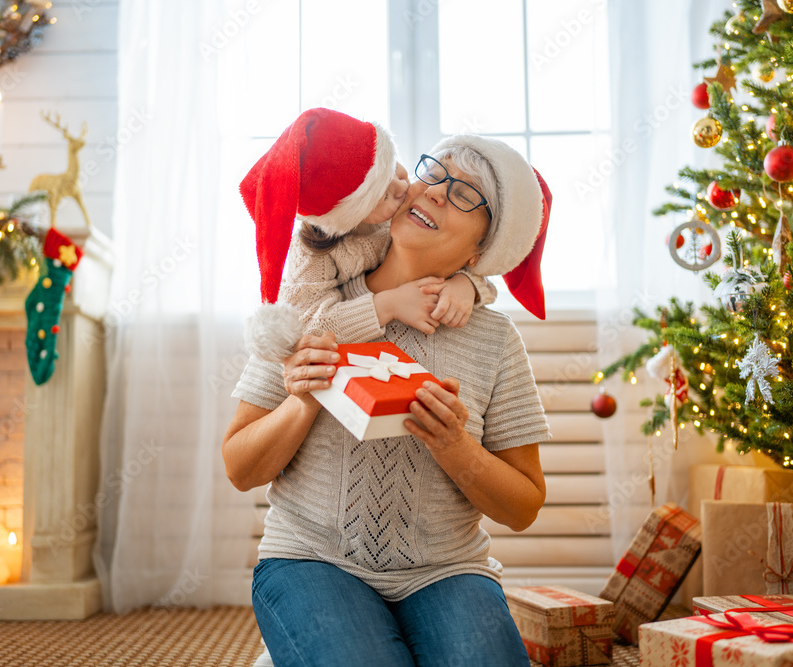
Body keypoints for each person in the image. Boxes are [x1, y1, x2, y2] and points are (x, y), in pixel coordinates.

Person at [224, 134, 552, 666]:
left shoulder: (495, 341)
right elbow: (240, 467)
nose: (438, 193)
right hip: (310, 559)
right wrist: (306, 399)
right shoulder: (309, 308)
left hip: (445, 570)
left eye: (467, 194)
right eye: (435, 173)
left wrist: (455, 447)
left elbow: (522, 506)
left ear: (481, 251)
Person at [240, 108, 499, 362]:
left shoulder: (395, 220)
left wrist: (467, 285)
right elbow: (306, 327)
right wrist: (389, 304)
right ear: (353, 210)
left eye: (395, 172)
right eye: (382, 195)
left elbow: (468, 259)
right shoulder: (313, 252)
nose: (402, 189)